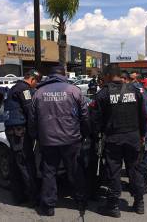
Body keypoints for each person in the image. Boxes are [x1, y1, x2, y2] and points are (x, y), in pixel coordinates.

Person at [31, 65, 89, 217]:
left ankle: (48, 206)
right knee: (75, 170)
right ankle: (81, 200)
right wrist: (84, 134)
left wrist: (36, 136)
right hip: (71, 139)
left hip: (48, 141)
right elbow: (84, 115)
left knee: (49, 172)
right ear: (64, 75)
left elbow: (33, 119)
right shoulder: (74, 90)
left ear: (50, 76)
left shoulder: (39, 92)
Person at [93, 65, 147, 218]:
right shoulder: (135, 91)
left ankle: (113, 206)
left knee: (114, 172)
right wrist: (142, 135)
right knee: (134, 170)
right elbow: (143, 116)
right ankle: (139, 203)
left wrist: (96, 136)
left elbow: (95, 121)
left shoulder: (102, 94)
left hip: (113, 139)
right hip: (133, 137)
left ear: (109, 75)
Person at [4, 69, 41, 205]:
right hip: (19, 131)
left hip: (13, 130)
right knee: (26, 163)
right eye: (36, 83)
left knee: (15, 163)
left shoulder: (14, 87)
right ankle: (33, 197)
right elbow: (30, 110)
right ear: (32, 80)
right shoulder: (24, 89)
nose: (35, 86)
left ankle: (18, 196)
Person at [130, 72, 147, 194]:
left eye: (131, 79)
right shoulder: (144, 90)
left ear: (136, 80)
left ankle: (138, 186)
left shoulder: (134, 91)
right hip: (144, 129)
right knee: (144, 157)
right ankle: (144, 184)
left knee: (137, 160)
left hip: (137, 130)